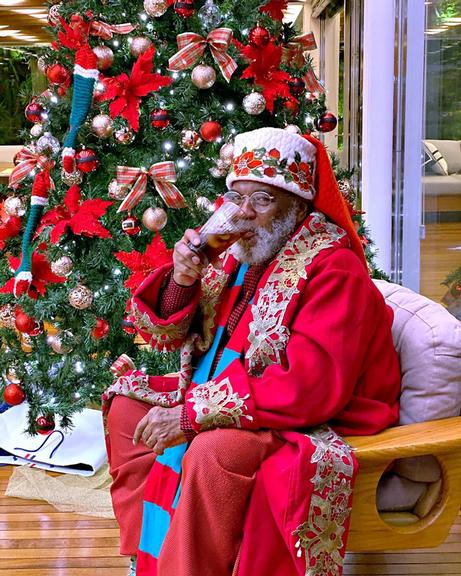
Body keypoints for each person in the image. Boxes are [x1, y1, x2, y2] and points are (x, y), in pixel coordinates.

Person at [103, 127, 401, 576]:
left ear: (296, 205)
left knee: (212, 451)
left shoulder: (333, 268)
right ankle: (147, 558)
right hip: (237, 393)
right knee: (126, 408)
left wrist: (190, 416)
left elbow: (310, 389)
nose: (243, 214)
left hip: (310, 419)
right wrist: (183, 277)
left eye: (261, 200)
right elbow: (170, 335)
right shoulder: (244, 252)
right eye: (236, 197)